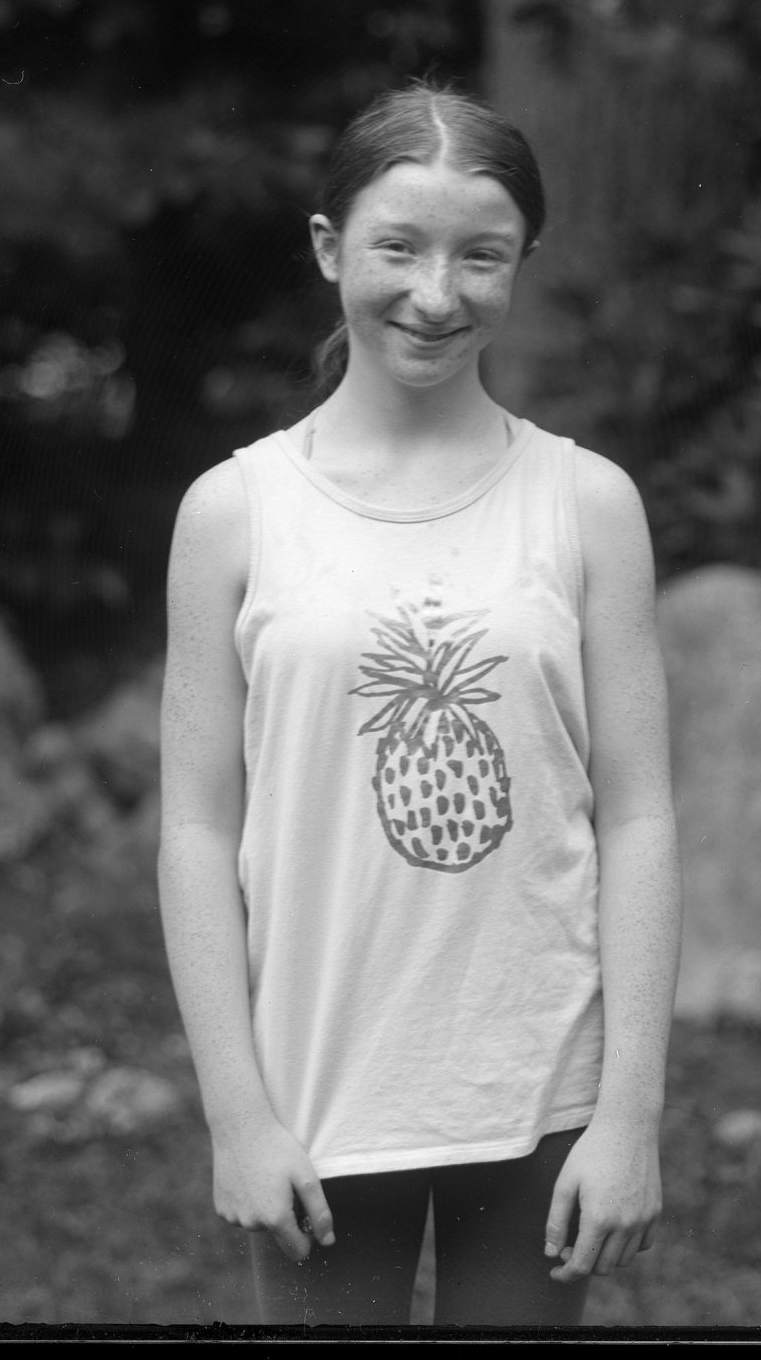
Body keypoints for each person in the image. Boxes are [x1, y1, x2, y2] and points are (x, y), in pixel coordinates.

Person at [158, 80, 681, 1328]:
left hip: (539, 1093)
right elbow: (191, 828)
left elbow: (640, 816)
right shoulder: (233, 510)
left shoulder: (586, 501)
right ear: (331, 248)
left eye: (480, 255)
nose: (436, 294)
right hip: (316, 1093)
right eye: (398, 246)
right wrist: (236, 1115)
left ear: (521, 266)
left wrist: (630, 1116)